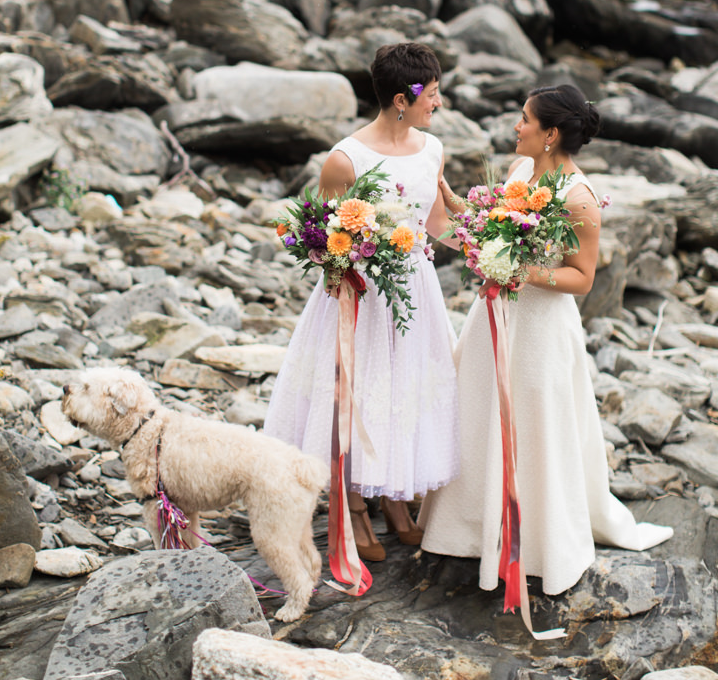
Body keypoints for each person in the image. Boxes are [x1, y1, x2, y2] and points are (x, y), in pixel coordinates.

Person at [419, 84, 673, 596]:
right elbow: (492, 231)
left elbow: (582, 277)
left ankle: (536, 540)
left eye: (524, 119)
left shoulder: (578, 197)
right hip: (493, 316)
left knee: (534, 427)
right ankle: (468, 527)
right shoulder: (518, 172)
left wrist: (523, 271)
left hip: (540, 330)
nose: (516, 127)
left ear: (550, 134)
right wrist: (452, 201)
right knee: (477, 410)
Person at [264, 42, 459, 561]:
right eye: (432, 95)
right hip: (361, 296)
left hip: (414, 290)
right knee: (361, 391)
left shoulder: (432, 149)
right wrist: (347, 265)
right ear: (402, 98)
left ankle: (394, 499)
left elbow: (436, 224)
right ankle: (351, 503)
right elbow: (324, 241)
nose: (437, 104)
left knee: (408, 389)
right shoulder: (345, 159)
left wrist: (495, 246)